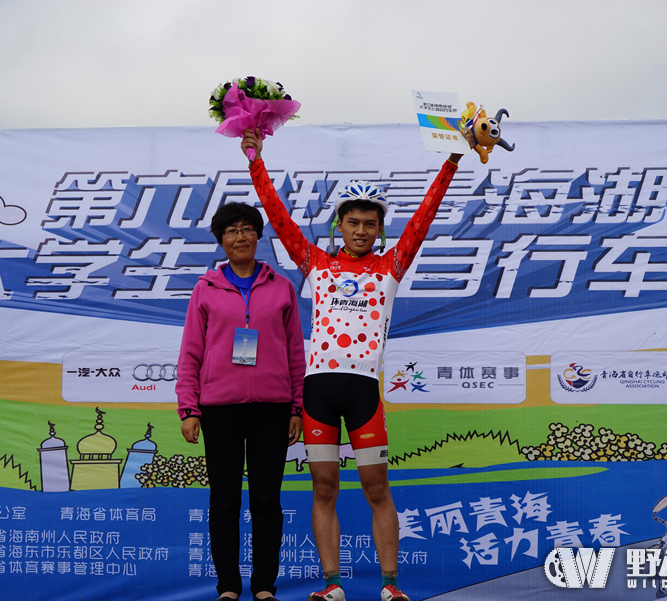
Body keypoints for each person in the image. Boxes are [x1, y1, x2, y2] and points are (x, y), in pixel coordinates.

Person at [241, 127, 475, 601]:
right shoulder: (315, 263)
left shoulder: (391, 266)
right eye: (353, 222)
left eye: (370, 223)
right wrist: (255, 160)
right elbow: (278, 217)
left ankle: (391, 586)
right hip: (319, 391)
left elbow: (425, 216)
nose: (362, 231)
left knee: (376, 487)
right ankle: (332, 585)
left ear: (380, 229)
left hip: (364, 390)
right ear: (340, 225)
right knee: (324, 487)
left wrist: (451, 161)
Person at [176, 202, 306, 601]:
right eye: (231, 231)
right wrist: (189, 408)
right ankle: (229, 588)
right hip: (219, 408)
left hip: (272, 408)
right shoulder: (206, 288)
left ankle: (264, 586)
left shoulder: (281, 286)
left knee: (267, 500)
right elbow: (191, 352)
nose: (240, 237)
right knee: (224, 499)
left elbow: (295, 352)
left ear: (258, 236)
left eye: (247, 229)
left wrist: (296, 407)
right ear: (221, 240)